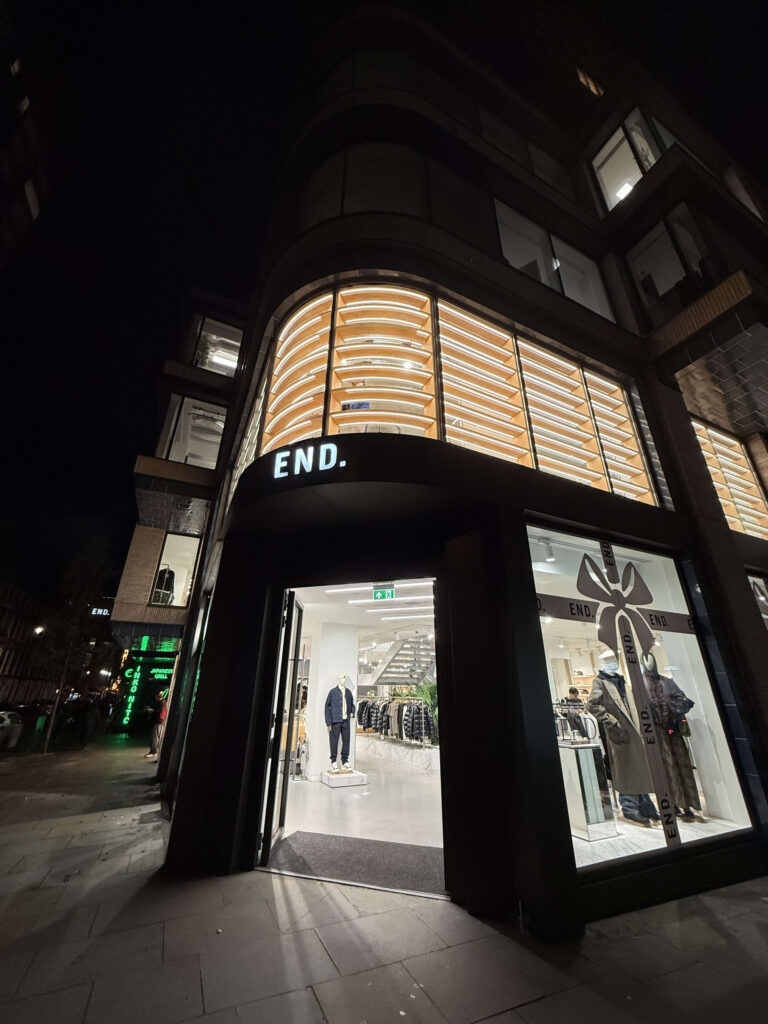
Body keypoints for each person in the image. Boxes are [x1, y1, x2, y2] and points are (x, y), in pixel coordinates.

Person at [145, 690, 168, 761]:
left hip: (157, 720)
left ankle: (153, 751)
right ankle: (156, 751)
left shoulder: (160, 702)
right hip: (161, 721)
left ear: (157, 696)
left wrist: (151, 711)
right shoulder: (164, 702)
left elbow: (157, 712)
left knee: (155, 737)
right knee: (158, 736)